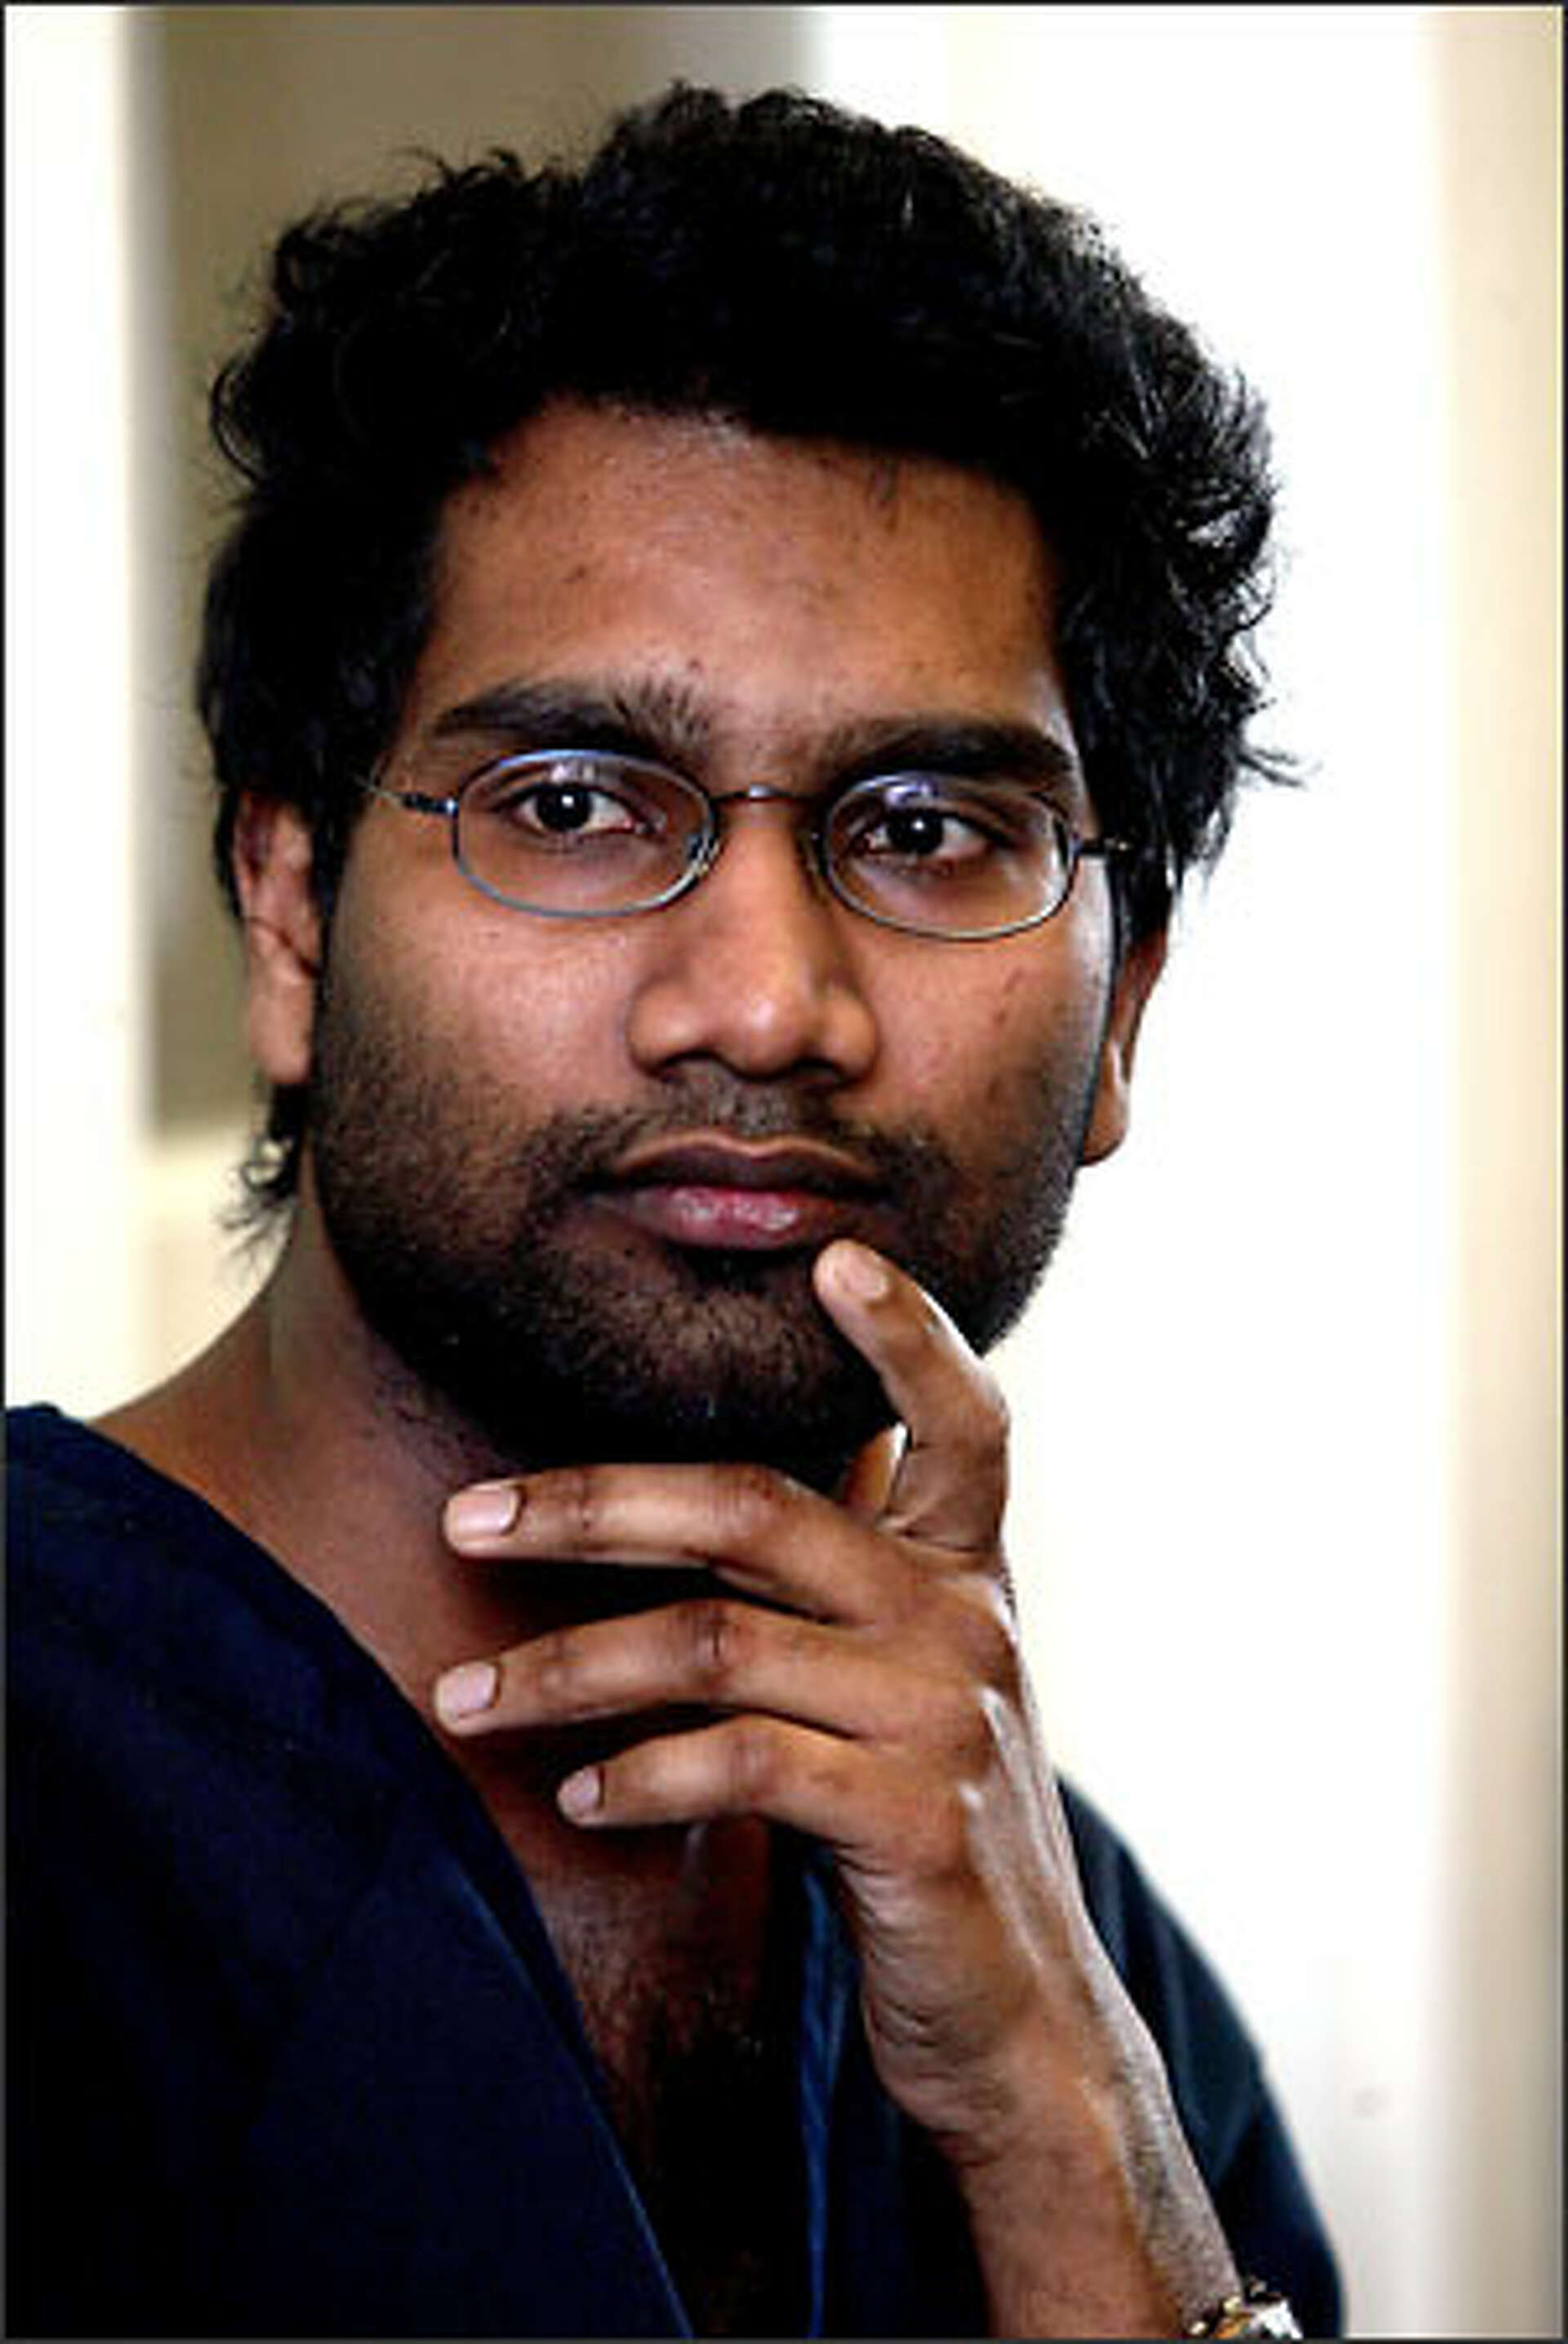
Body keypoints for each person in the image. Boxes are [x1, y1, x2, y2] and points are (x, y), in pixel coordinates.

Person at [8, 83, 1340, 2341]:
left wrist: (1064, 2145)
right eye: (570, 803)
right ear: (292, 912)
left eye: (929, 830)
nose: (764, 999)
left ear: (1123, 1014)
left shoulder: (1075, 1974)